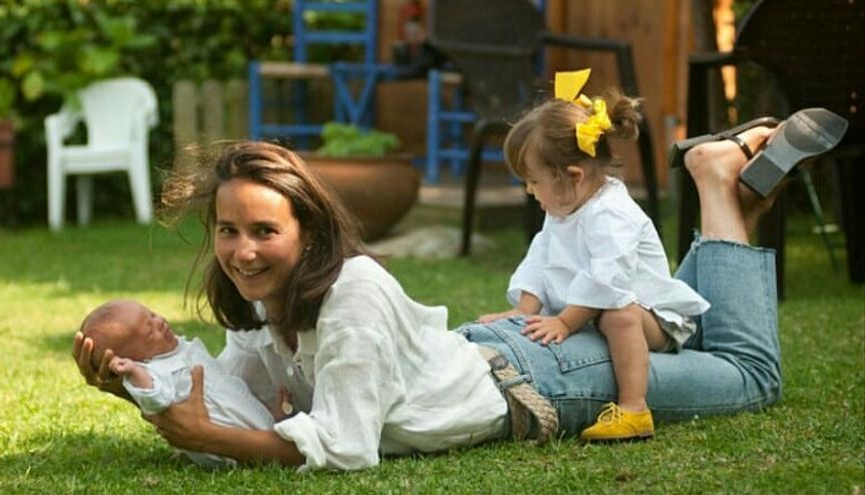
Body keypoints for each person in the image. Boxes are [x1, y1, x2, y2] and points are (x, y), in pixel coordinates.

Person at [73, 100, 837, 468]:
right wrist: (143, 383)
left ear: (307, 229)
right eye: (228, 230)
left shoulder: (354, 290)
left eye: (264, 231)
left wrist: (208, 438)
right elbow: (236, 387)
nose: (241, 250)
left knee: (750, 378)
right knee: (692, 330)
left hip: (547, 377)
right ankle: (725, 194)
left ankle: (713, 181)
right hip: (508, 350)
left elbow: (345, 446)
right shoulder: (266, 295)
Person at [477, 69, 709, 441]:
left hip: (652, 316)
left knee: (619, 315)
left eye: (534, 181)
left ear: (573, 175)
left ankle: (634, 408)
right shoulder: (564, 208)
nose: (528, 191)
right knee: (602, 310)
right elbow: (541, 257)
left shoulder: (611, 213)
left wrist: (566, 322)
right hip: (593, 310)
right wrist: (525, 310)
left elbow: (607, 279)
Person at [78, 298, 279, 467]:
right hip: (222, 433)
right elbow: (155, 401)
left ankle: (271, 424)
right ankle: (258, 447)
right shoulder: (151, 372)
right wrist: (134, 373)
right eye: (149, 332)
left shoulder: (171, 351)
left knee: (250, 410)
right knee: (246, 431)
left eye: (153, 315)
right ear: (129, 359)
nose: (160, 322)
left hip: (229, 405)